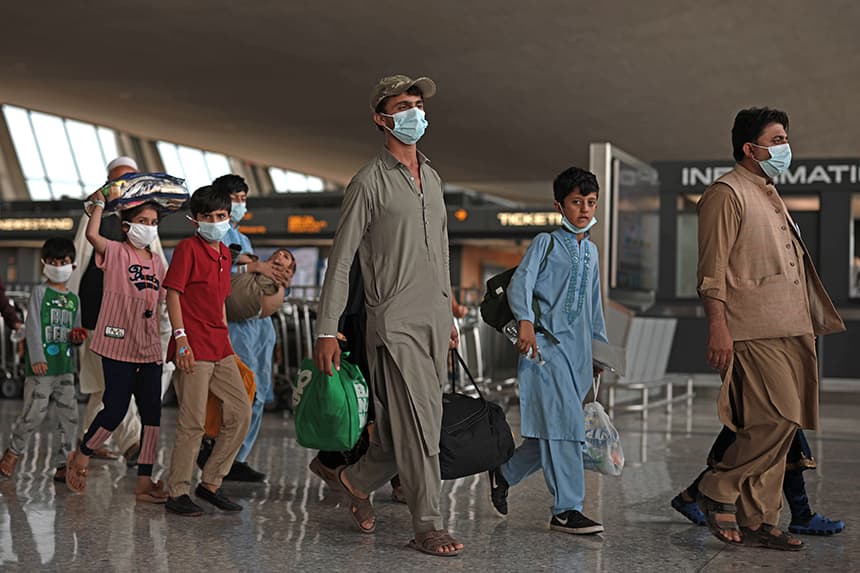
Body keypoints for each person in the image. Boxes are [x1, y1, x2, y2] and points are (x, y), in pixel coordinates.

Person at [312, 74, 463, 557]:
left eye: (417, 104)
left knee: (403, 430)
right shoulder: (367, 182)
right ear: (381, 117)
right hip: (392, 323)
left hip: (434, 320)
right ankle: (428, 524)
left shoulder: (433, 177)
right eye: (403, 105)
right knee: (421, 425)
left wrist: (450, 312)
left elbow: (441, 250)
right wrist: (327, 329)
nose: (414, 112)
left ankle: (354, 480)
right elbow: (341, 262)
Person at [694, 107, 844, 550]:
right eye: (777, 139)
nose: (784, 147)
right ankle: (716, 488)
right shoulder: (727, 192)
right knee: (774, 419)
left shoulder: (769, 192)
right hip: (752, 327)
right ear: (750, 147)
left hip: (793, 325)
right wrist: (718, 327)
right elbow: (712, 270)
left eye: (785, 139)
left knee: (788, 423)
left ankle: (759, 517)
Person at [486, 167, 607, 535]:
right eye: (576, 202)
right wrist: (524, 322)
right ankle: (566, 510)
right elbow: (521, 283)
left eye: (590, 202)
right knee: (568, 430)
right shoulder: (547, 242)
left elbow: (593, 304)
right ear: (560, 206)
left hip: (579, 356)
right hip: (544, 350)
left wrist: (599, 351)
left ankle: (504, 474)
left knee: (547, 435)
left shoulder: (592, 252)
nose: (584, 209)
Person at [64, 194, 168, 502]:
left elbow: (164, 303)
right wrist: (98, 206)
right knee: (115, 408)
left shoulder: (159, 262)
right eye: (142, 222)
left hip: (148, 347)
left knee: (152, 416)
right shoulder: (116, 252)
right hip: (116, 344)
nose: (148, 228)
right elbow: (91, 235)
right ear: (126, 226)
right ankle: (83, 453)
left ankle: (145, 481)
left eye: (153, 223)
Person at [163, 185, 251, 516]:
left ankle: (211, 483)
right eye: (208, 217)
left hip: (220, 346)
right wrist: (181, 339)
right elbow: (173, 294)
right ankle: (178, 491)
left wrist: (230, 346)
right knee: (193, 422)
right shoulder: (188, 249)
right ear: (195, 220)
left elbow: (220, 304)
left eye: (221, 216)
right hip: (193, 347)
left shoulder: (225, 254)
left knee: (241, 412)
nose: (216, 222)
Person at [194, 174, 288, 483]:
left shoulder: (241, 237)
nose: (239, 205)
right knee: (238, 392)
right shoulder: (215, 238)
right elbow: (224, 268)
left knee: (257, 392)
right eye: (234, 199)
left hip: (257, 326)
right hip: (235, 327)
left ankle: (239, 456)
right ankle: (221, 452)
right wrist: (252, 266)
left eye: (243, 198)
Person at [69, 156, 149, 465]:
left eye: (128, 181)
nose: (122, 187)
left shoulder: (143, 219)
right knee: (117, 380)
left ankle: (90, 436)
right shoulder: (95, 216)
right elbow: (78, 262)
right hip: (96, 313)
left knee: (106, 383)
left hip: (128, 316)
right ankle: (133, 443)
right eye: (116, 181)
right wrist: (72, 315)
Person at [0, 238, 85, 480]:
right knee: (34, 412)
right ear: (44, 265)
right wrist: (36, 356)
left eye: (64, 261)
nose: (59, 266)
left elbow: (76, 330)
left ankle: (63, 463)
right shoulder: (39, 292)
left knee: (70, 416)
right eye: (53, 262)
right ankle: (13, 452)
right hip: (41, 368)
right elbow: (33, 325)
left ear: (73, 265)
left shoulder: (74, 299)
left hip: (65, 368)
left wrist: (78, 338)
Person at [671, 428, 845, 536]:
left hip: (772, 393)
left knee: (779, 446)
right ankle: (801, 515)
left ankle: (802, 514)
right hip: (760, 393)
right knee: (746, 454)